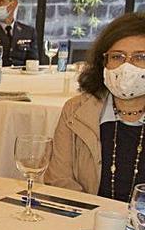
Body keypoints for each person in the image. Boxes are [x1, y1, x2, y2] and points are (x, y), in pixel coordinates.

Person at [45, 13, 145, 202]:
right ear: (104, 63)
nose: (127, 67)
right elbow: (58, 180)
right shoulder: (76, 110)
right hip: (88, 223)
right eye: (117, 57)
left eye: (140, 57)